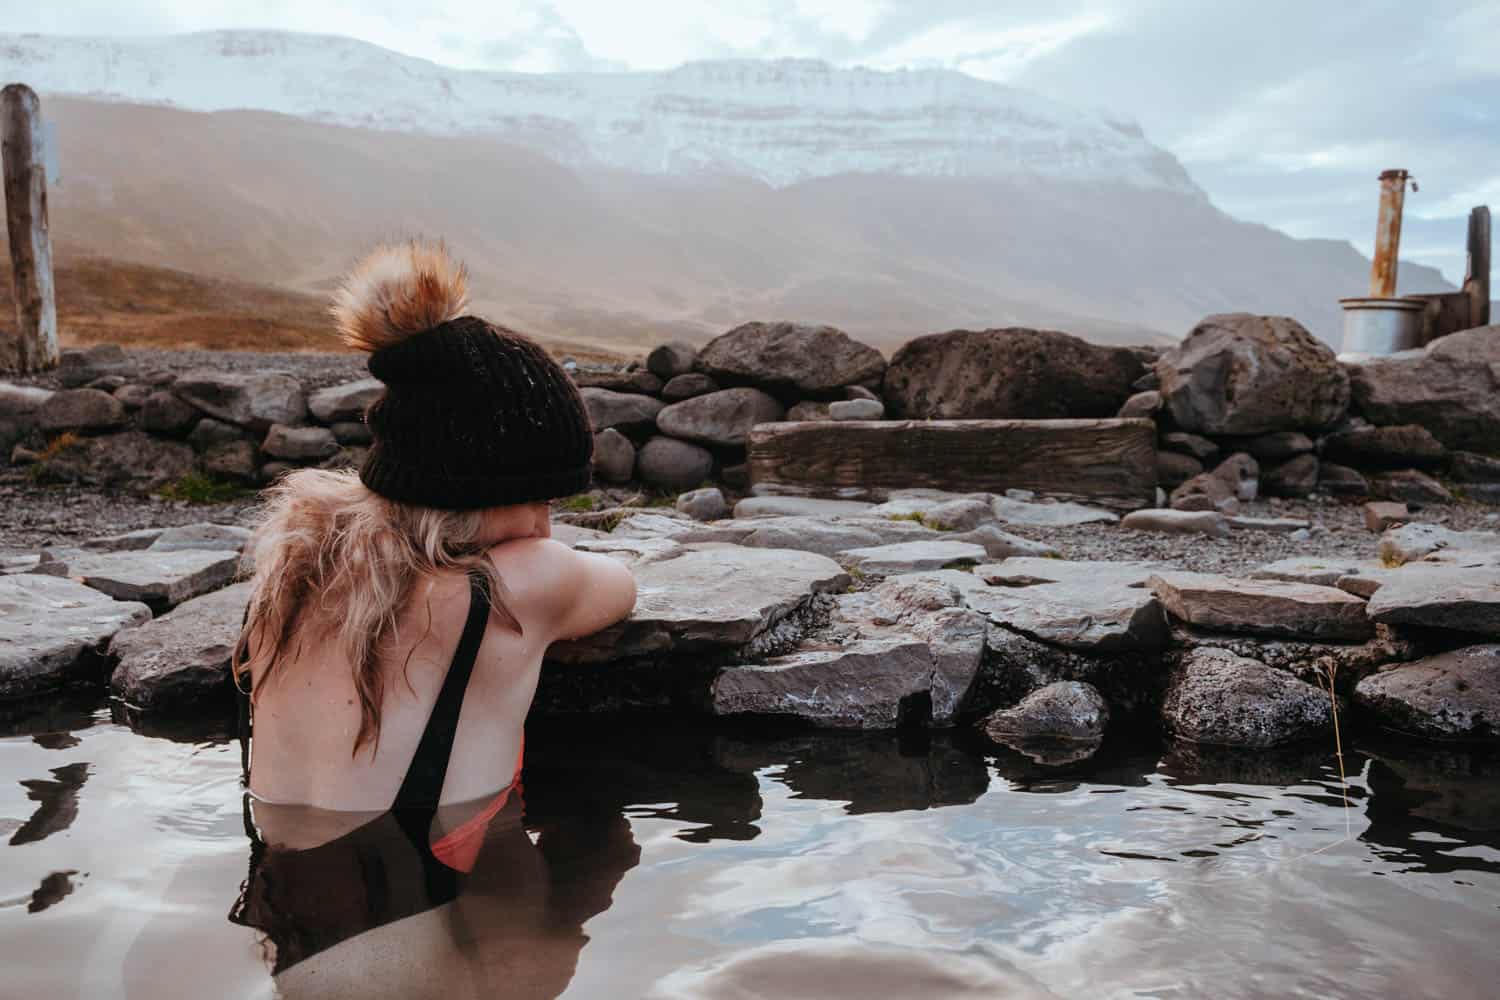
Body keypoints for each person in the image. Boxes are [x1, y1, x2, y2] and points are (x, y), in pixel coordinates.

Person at [226, 240, 637, 989]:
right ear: (472, 495)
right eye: (539, 499)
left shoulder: (293, 574)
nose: (546, 525)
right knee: (600, 872)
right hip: (402, 946)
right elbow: (620, 587)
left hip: (287, 920)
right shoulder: (518, 584)